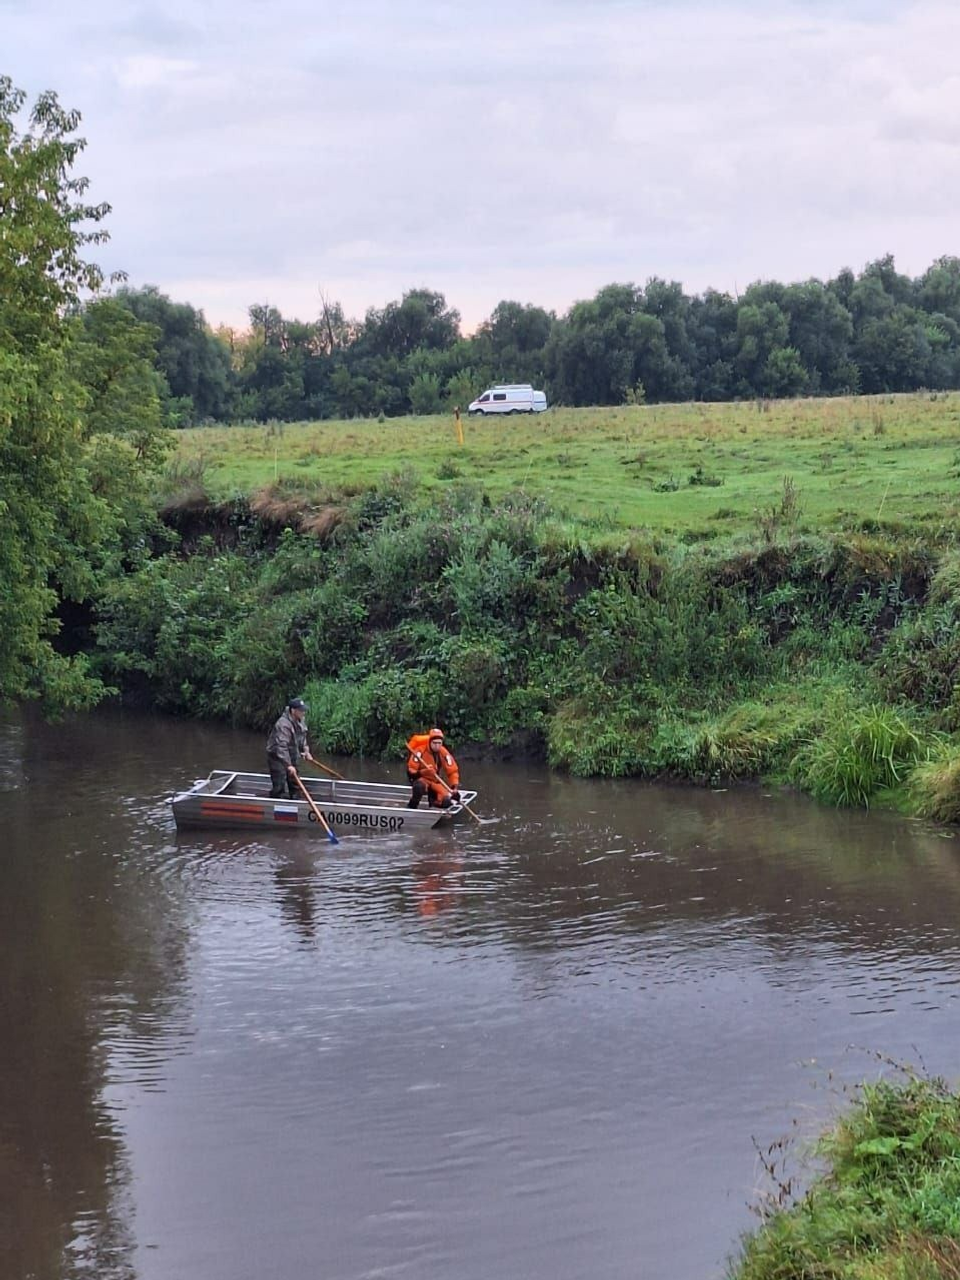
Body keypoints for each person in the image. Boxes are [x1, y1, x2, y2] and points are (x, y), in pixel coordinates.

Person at [266, 697, 316, 799]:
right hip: (277, 757)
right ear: (293, 711)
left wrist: (306, 751)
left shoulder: (300, 720)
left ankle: (295, 800)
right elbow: (281, 747)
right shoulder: (283, 725)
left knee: (294, 781)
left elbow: (302, 738)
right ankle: (276, 800)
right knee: (279, 783)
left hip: (292, 753)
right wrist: (288, 765)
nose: (303, 712)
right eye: (301, 710)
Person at [405, 728, 461, 809]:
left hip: (435, 781)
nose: (437, 746)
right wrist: (424, 772)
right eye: (434, 743)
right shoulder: (420, 751)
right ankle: (412, 805)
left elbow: (452, 771)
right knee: (419, 786)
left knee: (446, 801)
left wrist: (454, 787)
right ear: (430, 742)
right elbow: (411, 772)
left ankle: (434, 803)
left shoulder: (443, 752)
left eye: (439, 743)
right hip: (422, 780)